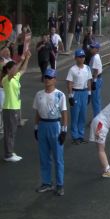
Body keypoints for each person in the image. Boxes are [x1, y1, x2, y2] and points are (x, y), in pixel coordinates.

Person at [33, 68, 67, 196]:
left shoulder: (60, 95)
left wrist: (64, 130)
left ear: (55, 80)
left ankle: (60, 184)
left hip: (55, 125)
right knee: (44, 156)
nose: (47, 79)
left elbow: (64, 113)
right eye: (45, 77)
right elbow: (37, 112)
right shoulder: (39, 94)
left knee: (58, 157)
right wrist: (35, 127)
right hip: (42, 125)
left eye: (50, 77)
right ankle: (46, 182)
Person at [2, 51, 31, 162]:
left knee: (12, 131)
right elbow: (15, 71)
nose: (16, 69)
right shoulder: (6, 79)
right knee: (9, 132)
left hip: (15, 108)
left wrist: (27, 58)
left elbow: (23, 70)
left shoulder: (15, 78)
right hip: (9, 108)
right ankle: (8, 155)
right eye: (13, 68)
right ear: (9, 70)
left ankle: (10, 151)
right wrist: (21, 60)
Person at [66, 49, 92, 145]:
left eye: (83, 57)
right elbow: (69, 83)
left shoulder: (87, 68)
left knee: (83, 115)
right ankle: (75, 136)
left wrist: (89, 94)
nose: (82, 59)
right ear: (75, 58)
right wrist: (70, 96)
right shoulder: (72, 69)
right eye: (80, 57)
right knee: (75, 115)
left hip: (84, 92)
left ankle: (81, 135)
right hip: (76, 93)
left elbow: (89, 81)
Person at [89, 42, 103, 117]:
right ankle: (98, 116)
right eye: (91, 47)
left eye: (93, 48)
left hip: (96, 79)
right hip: (98, 79)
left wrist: (94, 82)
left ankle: (97, 118)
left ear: (97, 49)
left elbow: (96, 70)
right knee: (96, 99)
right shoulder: (95, 56)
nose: (91, 49)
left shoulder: (95, 57)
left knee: (95, 100)